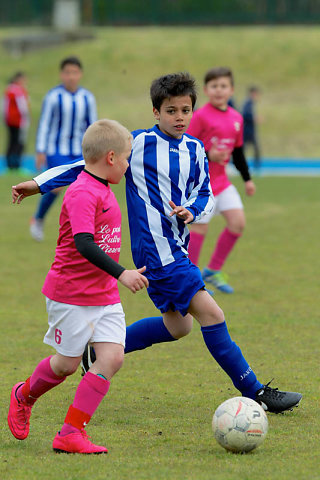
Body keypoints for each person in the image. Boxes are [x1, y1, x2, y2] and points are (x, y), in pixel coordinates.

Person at [12, 72, 302, 415]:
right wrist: (39, 184)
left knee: (180, 326)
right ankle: (256, 392)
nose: (179, 117)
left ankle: (96, 352)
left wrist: (192, 211)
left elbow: (206, 194)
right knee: (212, 312)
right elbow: (85, 166)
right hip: (156, 251)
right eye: (171, 110)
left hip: (176, 247)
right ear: (156, 112)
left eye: (185, 110)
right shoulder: (135, 145)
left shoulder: (195, 150)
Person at [8, 119, 149, 454]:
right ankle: (23, 395)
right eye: (127, 158)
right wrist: (122, 273)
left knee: (112, 358)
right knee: (66, 365)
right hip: (71, 294)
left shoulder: (100, 184)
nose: (129, 165)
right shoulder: (83, 192)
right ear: (111, 158)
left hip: (104, 295)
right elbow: (84, 243)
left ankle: (71, 432)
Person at [187, 67, 255, 294]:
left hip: (223, 183)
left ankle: (213, 270)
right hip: (200, 185)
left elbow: (237, 152)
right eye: (214, 86)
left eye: (223, 86)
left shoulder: (236, 118)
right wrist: (209, 155)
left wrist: (247, 179)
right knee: (199, 230)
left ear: (231, 90)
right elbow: (187, 149)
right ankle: (192, 278)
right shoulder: (199, 117)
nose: (219, 90)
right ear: (206, 90)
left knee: (238, 222)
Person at [30, 56, 97, 242]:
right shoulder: (53, 96)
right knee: (58, 186)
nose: (71, 76)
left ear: (80, 74)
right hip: (56, 149)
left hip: (79, 150)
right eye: (67, 72)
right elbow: (44, 124)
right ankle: (38, 219)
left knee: (84, 188)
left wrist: (95, 148)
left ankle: (80, 228)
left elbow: (92, 126)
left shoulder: (87, 98)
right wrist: (40, 150)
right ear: (61, 74)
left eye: (74, 72)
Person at [3, 72, 30, 172]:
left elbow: (4, 106)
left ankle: (10, 165)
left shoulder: (9, 90)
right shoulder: (18, 91)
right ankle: (16, 165)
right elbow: (22, 106)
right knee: (18, 143)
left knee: (11, 142)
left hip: (10, 121)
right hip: (18, 121)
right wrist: (25, 118)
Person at [242, 85, 261, 172]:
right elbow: (245, 115)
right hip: (247, 131)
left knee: (253, 148)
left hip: (249, 131)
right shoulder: (248, 103)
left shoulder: (250, 103)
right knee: (243, 149)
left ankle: (256, 166)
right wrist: (254, 118)